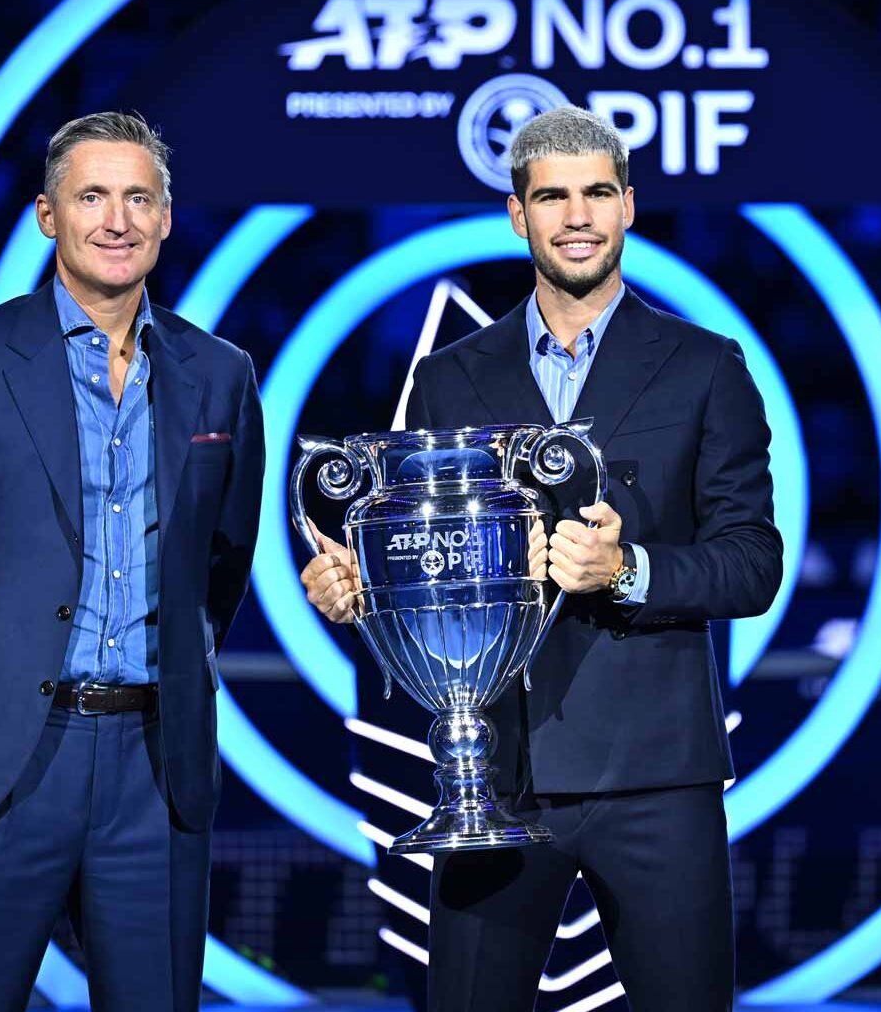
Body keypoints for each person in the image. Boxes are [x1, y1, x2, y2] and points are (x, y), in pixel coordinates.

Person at [301, 105, 782, 1011]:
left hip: (656, 777)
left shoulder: (705, 365)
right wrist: (366, 587)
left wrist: (626, 568)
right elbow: (431, 555)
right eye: (553, 197)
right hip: (494, 772)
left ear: (628, 206)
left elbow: (752, 563)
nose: (578, 217)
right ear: (517, 215)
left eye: (597, 193)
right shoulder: (450, 377)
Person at [0, 111, 265, 1011]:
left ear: (166, 217)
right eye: (92, 197)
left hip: (156, 769)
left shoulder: (220, 373)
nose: (117, 220)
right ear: (49, 215)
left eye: (138, 198)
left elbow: (222, 563)